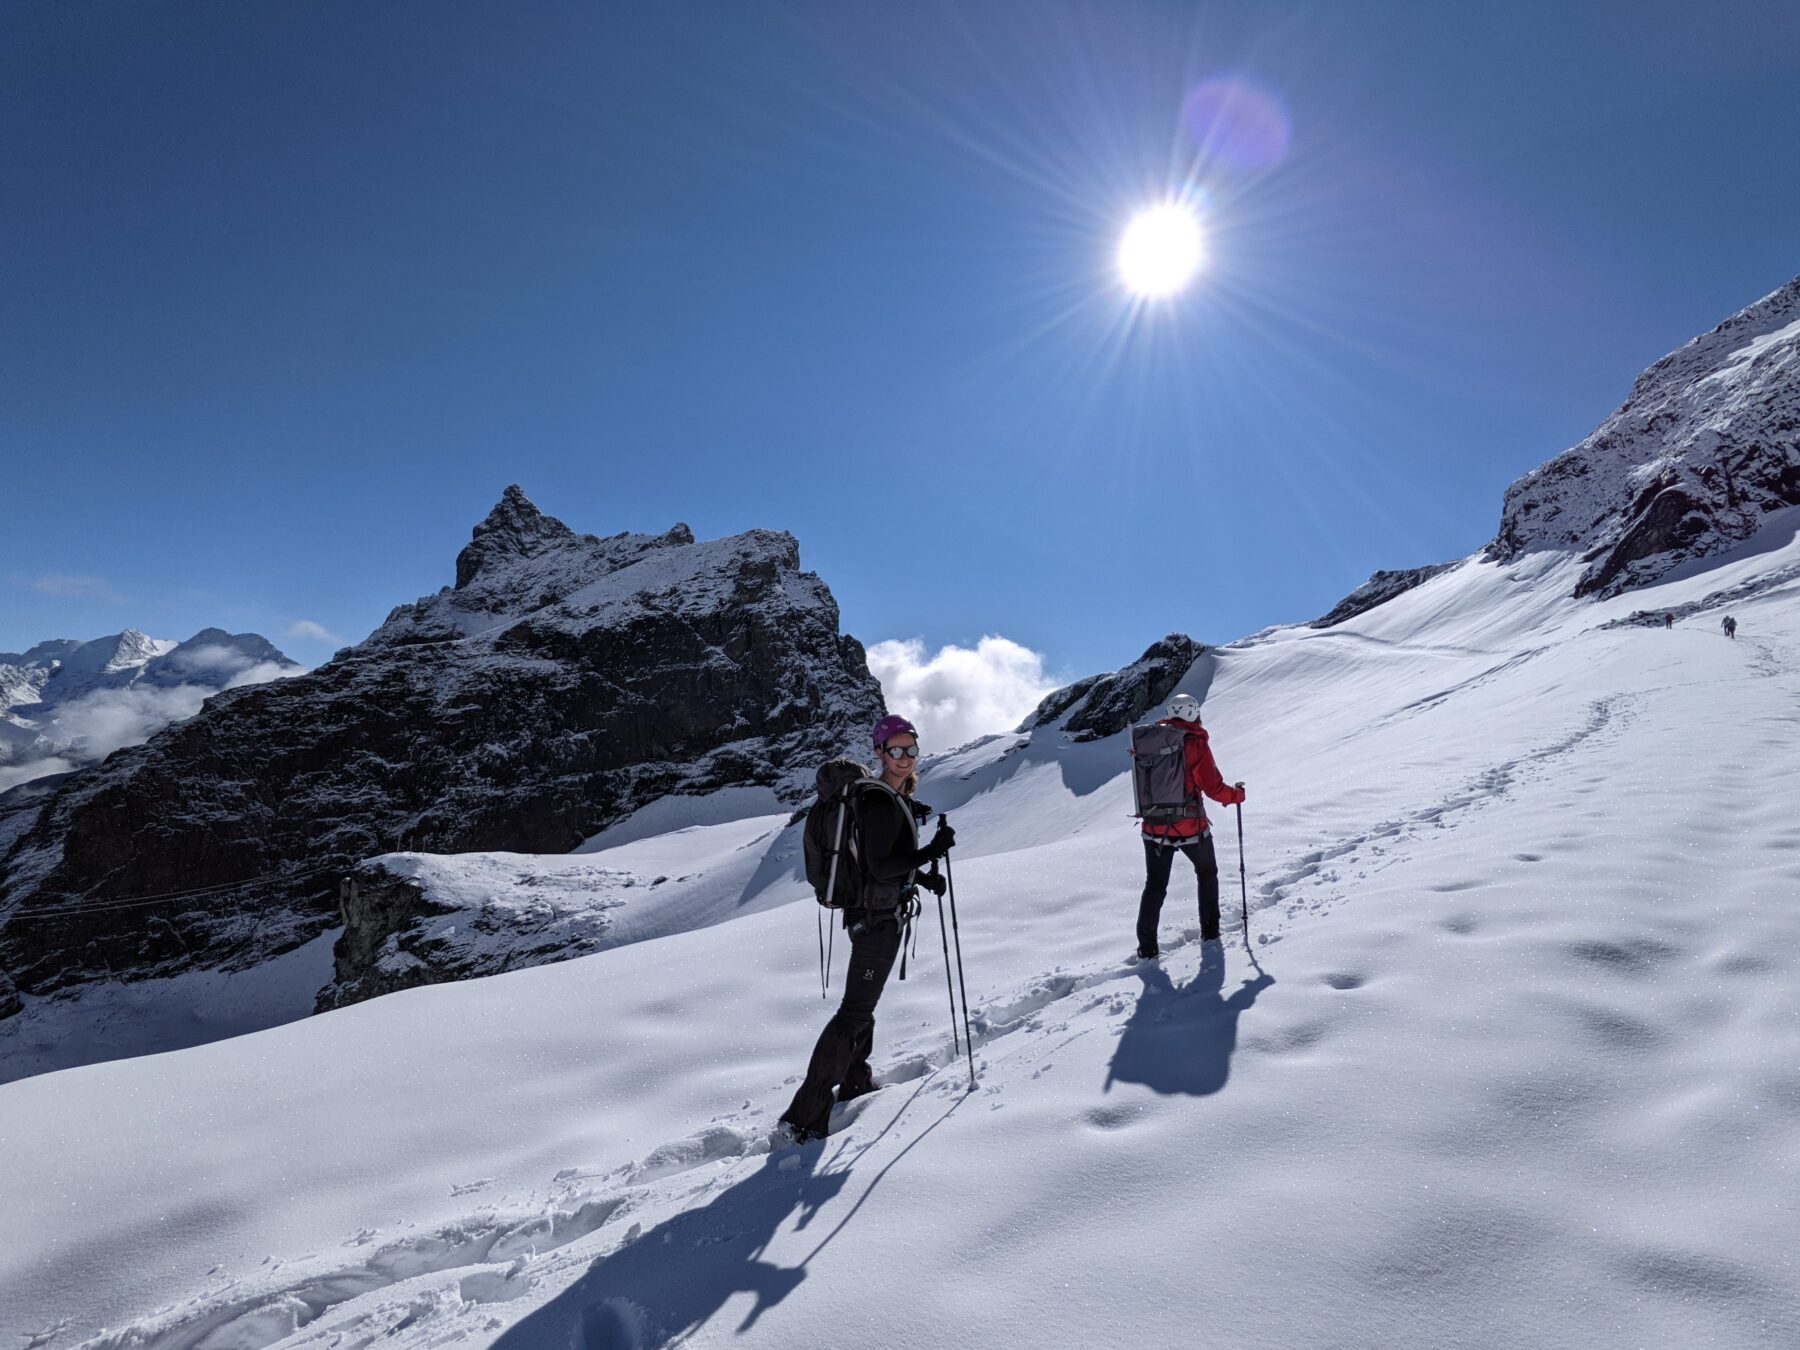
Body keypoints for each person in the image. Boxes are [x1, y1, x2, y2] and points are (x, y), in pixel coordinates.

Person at [778, 714, 955, 1144]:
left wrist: (922, 878)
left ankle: (856, 1083)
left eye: (910, 749)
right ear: (878, 752)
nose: (904, 757)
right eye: (894, 750)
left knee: (863, 1006)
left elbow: (881, 865)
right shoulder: (876, 799)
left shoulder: (884, 796)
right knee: (854, 1012)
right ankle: (803, 1117)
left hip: (876, 913)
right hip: (876, 921)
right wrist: (931, 851)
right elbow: (881, 864)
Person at [1136, 693, 1245, 959]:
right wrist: (1237, 796)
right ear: (1192, 713)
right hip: (1189, 826)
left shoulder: (1150, 739)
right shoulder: (1194, 742)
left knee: (1155, 885)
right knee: (1207, 873)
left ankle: (1147, 948)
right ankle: (1210, 932)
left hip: (1154, 826)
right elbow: (1213, 787)